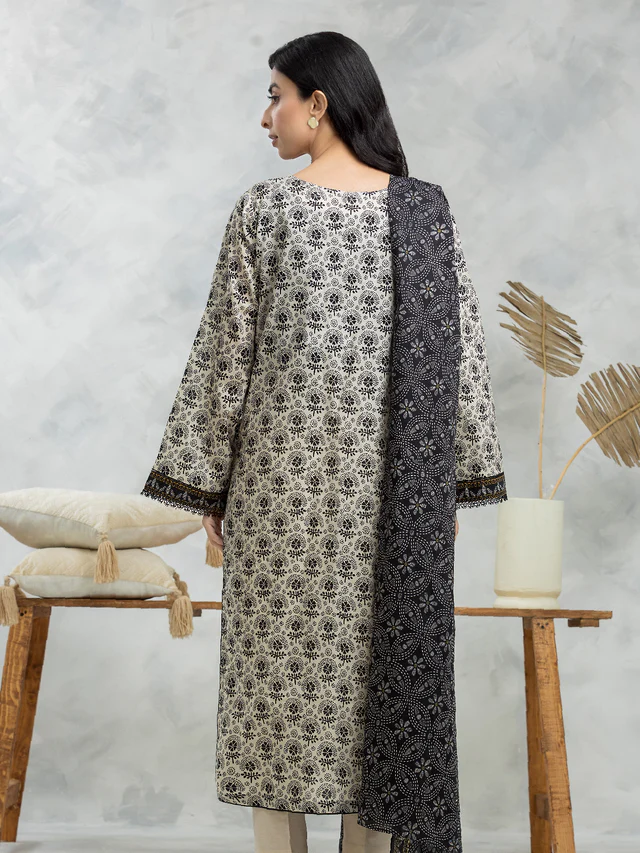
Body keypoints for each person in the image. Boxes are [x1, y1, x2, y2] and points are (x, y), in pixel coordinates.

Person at [141, 31, 507, 853]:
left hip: (281, 508)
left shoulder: (266, 212)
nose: (264, 116)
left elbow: (224, 359)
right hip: (390, 511)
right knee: (377, 702)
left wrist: (209, 486)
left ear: (319, 103)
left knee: (277, 699)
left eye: (275, 95)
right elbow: (465, 360)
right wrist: (443, 488)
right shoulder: (422, 214)